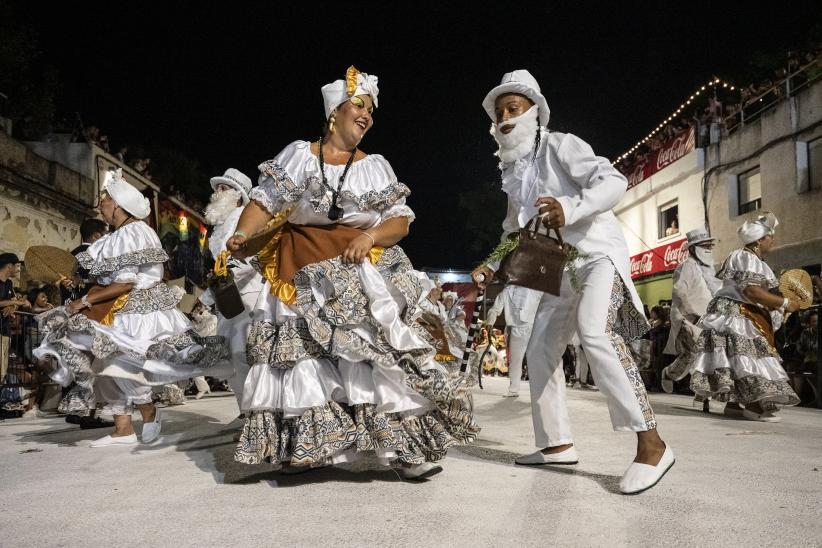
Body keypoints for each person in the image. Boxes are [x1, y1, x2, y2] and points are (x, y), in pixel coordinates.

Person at [225, 66, 478, 479]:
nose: (368, 115)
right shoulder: (298, 155)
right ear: (334, 112)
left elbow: (401, 221)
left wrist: (372, 236)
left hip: (355, 264)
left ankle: (403, 450)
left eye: (372, 110)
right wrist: (241, 233)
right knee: (301, 355)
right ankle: (305, 447)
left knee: (373, 352)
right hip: (299, 266)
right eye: (359, 105)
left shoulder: (375, 166)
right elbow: (264, 202)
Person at [472, 70, 672, 495]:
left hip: (598, 255)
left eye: (515, 108)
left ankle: (652, 444)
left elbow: (613, 180)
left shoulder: (562, 144)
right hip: (559, 268)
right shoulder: (514, 174)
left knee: (596, 333)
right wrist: (492, 264)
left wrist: (570, 206)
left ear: (534, 113)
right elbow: (514, 231)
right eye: (500, 111)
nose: (506, 118)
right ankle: (556, 444)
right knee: (542, 348)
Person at [33, 169, 229, 447]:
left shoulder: (134, 233)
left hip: (137, 311)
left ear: (119, 205)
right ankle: (123, 429)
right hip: (116, 308)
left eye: (105, 199)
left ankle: (149, 413)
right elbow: (110, 276)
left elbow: (125, 283)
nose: (101, 203)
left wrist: (83, 302)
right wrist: (80, 281)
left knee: (120, 364)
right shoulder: (116, 235)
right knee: (102, 364)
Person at [690, 213, 801, 422]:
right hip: (736, 312)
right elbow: (752, 292)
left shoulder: (748, 258)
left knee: (737, 358)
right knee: (748, 356)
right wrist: (784, 303)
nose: (773, 240)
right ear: (759, 240)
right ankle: (752, 405)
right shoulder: (747, 257)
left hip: (738, 310)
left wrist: (777, 307)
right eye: (770, 237)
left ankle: (734, 405)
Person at [198, 168, 262, 412]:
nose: (217, 193)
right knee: (231, 358)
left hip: (247, 297)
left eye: (223, 188)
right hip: (226, 299)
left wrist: (220, 277)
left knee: (245, 353)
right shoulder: (221, 225)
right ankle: (248, 411)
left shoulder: (242, 218)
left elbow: (250, 258)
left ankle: (258, 410)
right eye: (216, 188)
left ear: (237, 195)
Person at [661, 229, 722, 402]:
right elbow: (680, 292)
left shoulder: (710, 270)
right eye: (705, 245)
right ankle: (670, 374)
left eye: (711, 245)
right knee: (697, 351)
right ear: (694, 248)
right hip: (687, 318)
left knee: (703, 355)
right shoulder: (686, 267)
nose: (709, 248)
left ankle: (700, 391)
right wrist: (691, 315)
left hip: (708, 320)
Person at [485, 285, 541, 397]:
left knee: (536, 360)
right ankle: (513, 389)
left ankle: (539, 391)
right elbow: (495, 308)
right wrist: (490, 322)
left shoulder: (536, 288)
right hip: (515, 328)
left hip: (533, 326)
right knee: (515, 360)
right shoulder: (507, 290)